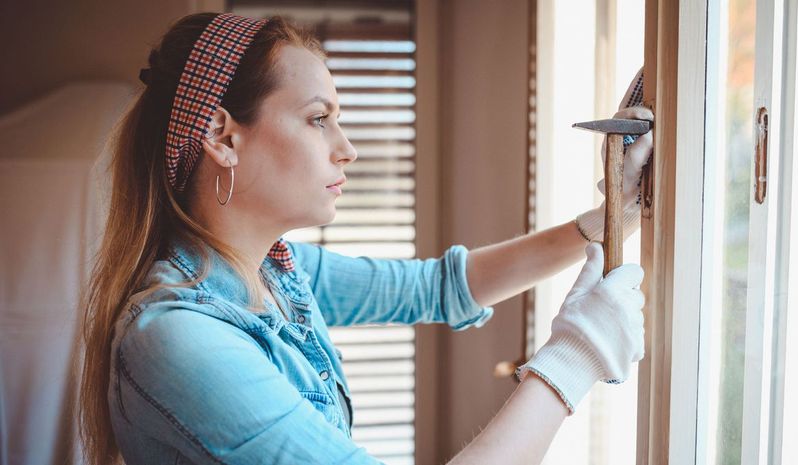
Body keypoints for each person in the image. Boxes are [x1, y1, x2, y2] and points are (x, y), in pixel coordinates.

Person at [78, 12, 654, 465]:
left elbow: (437, 286)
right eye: (317, 118)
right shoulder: (177, 340)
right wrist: (576, 356)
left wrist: (605, 218)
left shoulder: (276, 270)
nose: (346, 148)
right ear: (223, 137)